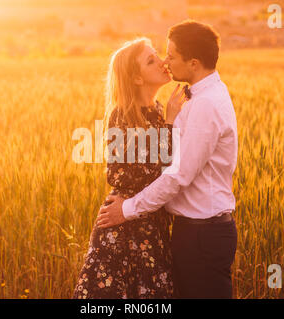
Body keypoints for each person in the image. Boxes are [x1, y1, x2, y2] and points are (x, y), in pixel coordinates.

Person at [97, 20, 238, 299]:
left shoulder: (203, 105)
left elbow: (176, 176)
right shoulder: (196, 99)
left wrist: (125, 210)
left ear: (194, 63)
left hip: (200, 234)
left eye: (171, 55)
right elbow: (131, 169)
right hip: (186, 231)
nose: (166, 61)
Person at [73, 37, 187, 299]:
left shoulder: (159, 110)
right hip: (123, 230)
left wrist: (167, 122)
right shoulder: (122, 115)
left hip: (152, 225)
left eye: (157, 54)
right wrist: (169, 126)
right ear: (136, 79)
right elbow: (122, 173)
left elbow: (166, 168)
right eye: (151, 60)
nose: (162, 62)